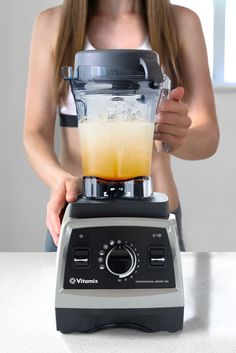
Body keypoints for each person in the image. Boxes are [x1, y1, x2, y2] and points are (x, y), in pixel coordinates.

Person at [23, 0, 219, 252]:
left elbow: (208, 136)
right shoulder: (52, 24)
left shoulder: (181, 22)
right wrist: (60, 180)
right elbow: (34, 133)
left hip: (154, 217)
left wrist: (178, 137)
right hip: (77, 210)